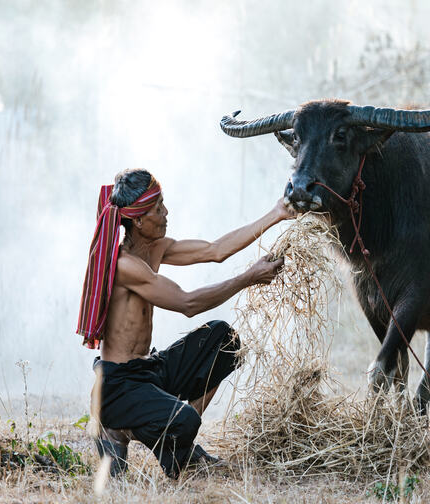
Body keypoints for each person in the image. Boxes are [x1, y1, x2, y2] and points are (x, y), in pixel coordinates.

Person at [77, 168, 292, 479]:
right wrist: (249, 278)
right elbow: (187, 303)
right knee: (186, 420)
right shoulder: (125, 265)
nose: (167, 213)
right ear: (138, 220)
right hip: (118, 386)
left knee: (222, 339)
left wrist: (278, 213)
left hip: (147, 372)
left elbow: (215, 251)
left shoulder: (156, 248)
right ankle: (120, 427)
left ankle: (178, 439)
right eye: (158, 208)